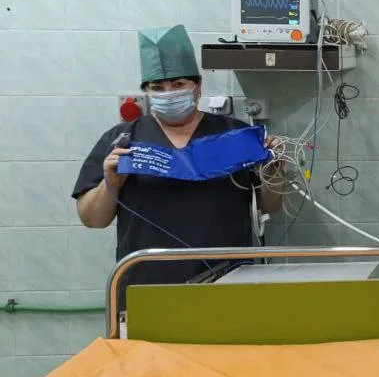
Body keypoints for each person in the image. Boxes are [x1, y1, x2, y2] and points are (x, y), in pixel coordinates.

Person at [72, 25, 285, 299]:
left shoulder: (234, 136)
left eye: (178, 85)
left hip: (227, 282)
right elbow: (92, 219)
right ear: (147, 92)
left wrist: (274, 170)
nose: (168, 93)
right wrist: (110, 183)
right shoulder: (123, 140)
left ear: (197, 87)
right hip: (146, 286)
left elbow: (271, 206)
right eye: (157, 88)